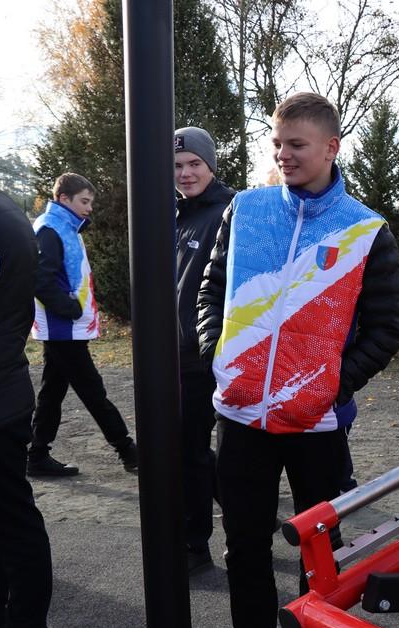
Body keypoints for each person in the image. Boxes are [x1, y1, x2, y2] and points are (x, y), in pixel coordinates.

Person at [197, 91, 399, 628]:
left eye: (297, 145)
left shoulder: (366, 229)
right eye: (278, 143)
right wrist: (218, 355)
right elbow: (210, 291)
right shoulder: (245, 208)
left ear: (331, 148)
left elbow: (386, 327)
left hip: (317, 425)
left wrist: (331, 387)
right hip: (240, 419)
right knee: (245, 547)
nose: (283, 155)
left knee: (321, 556)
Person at [26, 173, 138, 477]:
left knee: (52, 392)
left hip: (64, 328)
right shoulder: (51, 229)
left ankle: (36, 455)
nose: (89, 208)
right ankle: (128, 451)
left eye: (90, 202)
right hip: (62, 328)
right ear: (64, 199)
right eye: (84, 201)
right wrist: (71, 309)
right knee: (92, 390)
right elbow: (40, 279)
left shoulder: (62, 227)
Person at [0, 189, 56, 628]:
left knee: (11, 516)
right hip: (5, 386)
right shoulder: (9, 212)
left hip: (0, 394)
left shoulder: (4, 218)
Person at [174, 127, 235, 574]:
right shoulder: (176, 214)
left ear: (210, 164)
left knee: (195, 451)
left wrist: (212, 344)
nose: (186, 172)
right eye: (177, 166)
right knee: (192, 450)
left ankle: (196, 544)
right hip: (174, 354)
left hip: (205, 356)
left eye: (194, 163)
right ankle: (243, 514)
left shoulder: (226, 211)